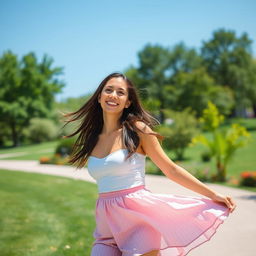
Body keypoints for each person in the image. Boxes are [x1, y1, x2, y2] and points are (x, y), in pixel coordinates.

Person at [63, 72, 236, 256]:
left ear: (128, 102)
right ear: (99, 97)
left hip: (139, 223)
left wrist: (212, 194)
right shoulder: (93, 138)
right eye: (109, 90)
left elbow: (171, 169)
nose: (113, 95)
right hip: (106, 228)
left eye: (121, 92)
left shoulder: (138, 130)